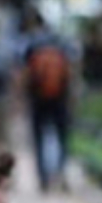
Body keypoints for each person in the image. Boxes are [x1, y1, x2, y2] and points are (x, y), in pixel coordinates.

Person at [19, 10, 75, 192]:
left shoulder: (31, 44)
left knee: (38, 137)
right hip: (61, 97)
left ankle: (43, 179)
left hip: (37, 97)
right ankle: (61, 173)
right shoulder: (60, 42)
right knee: (61, 136)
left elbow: (24, 73)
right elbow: (71, 70)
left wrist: (20, 97)